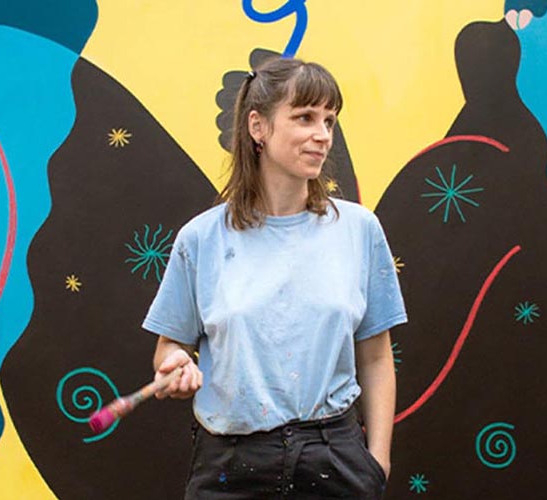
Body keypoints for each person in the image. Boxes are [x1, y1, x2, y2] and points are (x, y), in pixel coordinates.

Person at [142, 57, 407, 500]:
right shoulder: (201, 239)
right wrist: (174, 364)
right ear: (258, 127)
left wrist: (377, 463)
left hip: (335, 461)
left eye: (329, 120)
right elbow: (170, 346)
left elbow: (377, 358)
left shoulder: (359, 230)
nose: (323, 135)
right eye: (305, 118)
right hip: (229, 467)